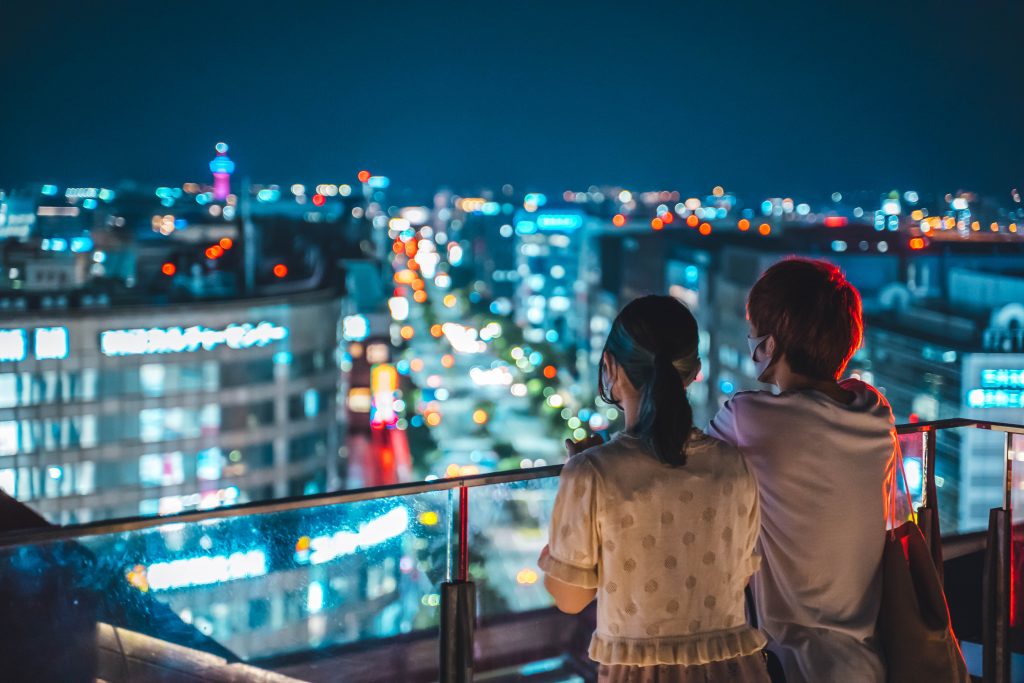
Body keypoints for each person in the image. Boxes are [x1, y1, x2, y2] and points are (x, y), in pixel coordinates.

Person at [538, 295, 770, 683]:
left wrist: (575, 485)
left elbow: (569, 597)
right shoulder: (734, 465)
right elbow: (738, 577)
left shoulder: (590, 473)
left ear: (609, 368)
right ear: (695, 371)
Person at [708, 257, 893, 683]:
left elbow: (674, 459)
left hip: (794, 666)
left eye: (753, 328)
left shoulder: (750, 417)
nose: (750, 338)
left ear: (769, 345)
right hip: (870, 661)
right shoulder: (874, 409)